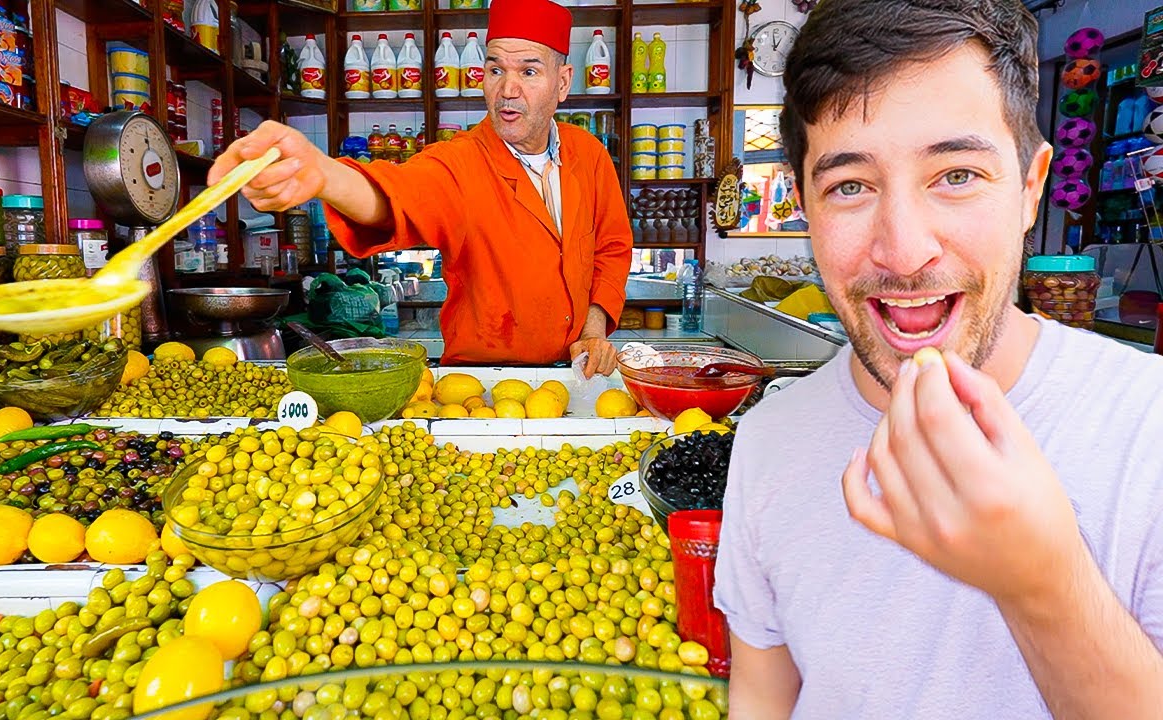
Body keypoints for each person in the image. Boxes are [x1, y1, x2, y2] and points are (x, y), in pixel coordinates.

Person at [714, 0, 1163, 717]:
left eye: (956, 175)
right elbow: (763, 694)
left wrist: (1042, 583)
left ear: (1030, 188)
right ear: (805, 206)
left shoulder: (1148, 430)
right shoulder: (769, 438)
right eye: (850, 186)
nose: (904, 251)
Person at [208, 0, 631, 376]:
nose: (507, 89)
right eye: (495, 69)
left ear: (562, 82)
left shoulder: (588, 154)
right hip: (483, 381)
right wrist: (324, 175)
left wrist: (593, 330)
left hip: (575, 373)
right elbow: (400, 194)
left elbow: (611, 248)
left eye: (529, 71)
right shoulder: (459, 161)